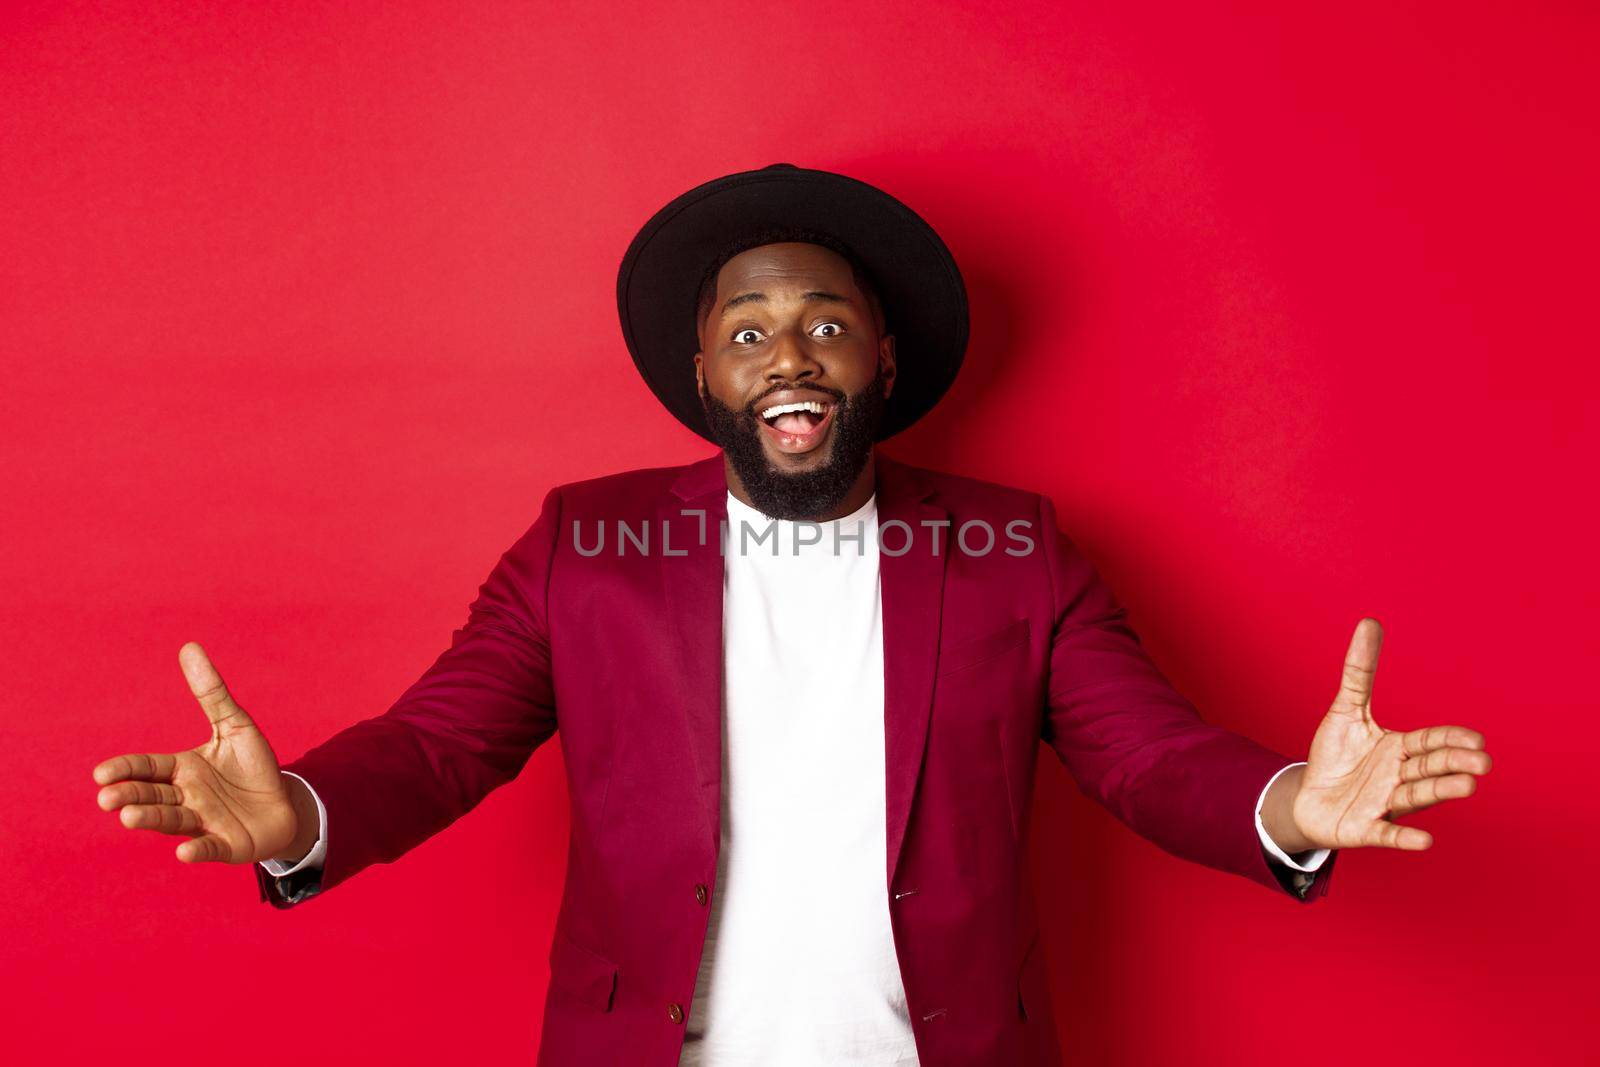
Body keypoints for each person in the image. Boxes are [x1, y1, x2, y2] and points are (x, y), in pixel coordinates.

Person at [91, 163, 1493, 1067]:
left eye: (825, 323)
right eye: (749, 332)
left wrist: (1292, 803)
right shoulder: (589, 544)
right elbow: (440, 741)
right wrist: (307, 818)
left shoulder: (1012, 549)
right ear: (702, 372)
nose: (790, 355)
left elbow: (1145, 754)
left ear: (883, 360)